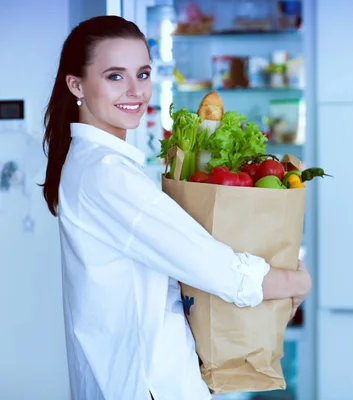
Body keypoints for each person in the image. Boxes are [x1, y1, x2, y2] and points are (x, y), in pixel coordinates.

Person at [40, 15, 312, 400]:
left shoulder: (90, 163)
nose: (135, 91)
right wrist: (295, 281)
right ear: (76, 84)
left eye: (143, 73)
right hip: (147, 382)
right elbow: (216, 268)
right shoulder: (108, 175)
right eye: (115, 76)